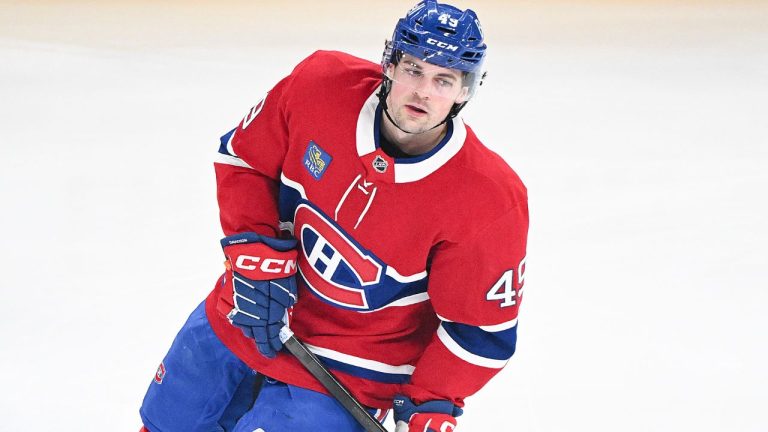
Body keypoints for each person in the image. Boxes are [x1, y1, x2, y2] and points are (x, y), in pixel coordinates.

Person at [139, 1, 528, 431]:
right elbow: (243, 158)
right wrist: (255, 259)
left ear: (465, 90)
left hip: (352, 372)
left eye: (443, 80)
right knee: (164, 422)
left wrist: (430, 401)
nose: (423, 91)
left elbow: (479, 330)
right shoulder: (320, 86)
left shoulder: (489, 199)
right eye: (414, 69)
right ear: (390, 64)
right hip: (247, 313)